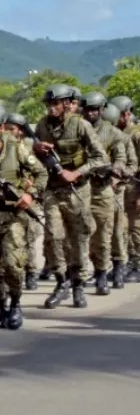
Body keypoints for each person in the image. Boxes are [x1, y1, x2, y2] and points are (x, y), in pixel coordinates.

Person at [33, 83, 108, 309]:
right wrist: (36, 150)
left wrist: (76, 173)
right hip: (52, 189)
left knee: (79, 238)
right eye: (48, 104)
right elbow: (32, 157)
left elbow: (100, 158)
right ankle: (61, 281)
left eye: (55, 103)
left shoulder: (81, 125)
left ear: (67, 104)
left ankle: (77, 285)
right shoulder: (42, 126)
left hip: (77, 190)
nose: (51, 108)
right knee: (54, 236)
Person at [0, 105, 46, 330]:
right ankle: (2, 306)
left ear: (2, 127)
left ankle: (16, 303)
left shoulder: (16, 148)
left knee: (13, 264)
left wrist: (30, 194)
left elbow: (41, 172)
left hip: (14, 215)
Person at [81, 92, 129, 295]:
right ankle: (77, 275)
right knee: (78, 234)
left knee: (103, 234)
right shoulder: (77, 129)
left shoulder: (113, 133)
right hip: (79, 187)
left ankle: (102, 274)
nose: (91, 112)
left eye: (95, 109)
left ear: (101, 110)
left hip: (102, 189)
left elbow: (121, 158)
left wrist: (116, 169)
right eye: (88, 109)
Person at [5, 112, 46, 289]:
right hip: (11, 198)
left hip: (29, 197)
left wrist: (32, 190)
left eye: (12, 129)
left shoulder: (30, 146)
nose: (8, 132)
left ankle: (31, 272)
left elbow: (39, 170)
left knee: (29, 236)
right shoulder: (5, 146)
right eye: (6, 129)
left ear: (20, 131)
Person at [100, 103, 136, 288]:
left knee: (118, 231)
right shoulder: (96, 135)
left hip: (118, 190)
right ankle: (102, 269)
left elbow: (132, 164)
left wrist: (118, 175)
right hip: (97, 190)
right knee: (99, 233)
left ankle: (119, 269)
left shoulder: (123, 138)